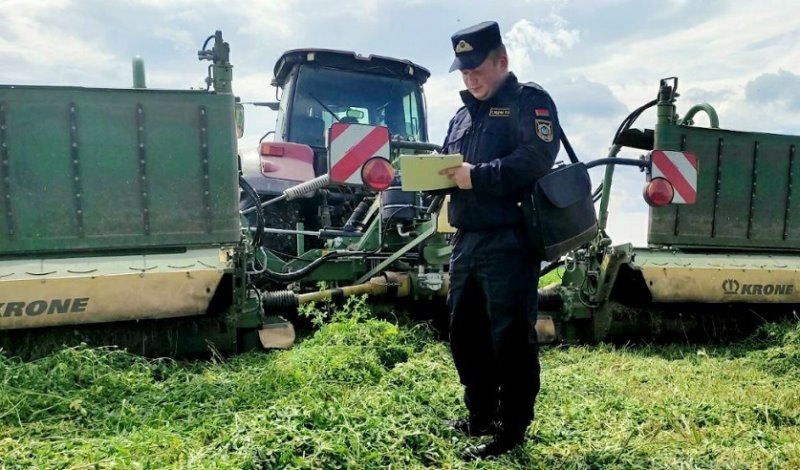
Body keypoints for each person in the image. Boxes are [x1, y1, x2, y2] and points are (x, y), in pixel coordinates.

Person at [438, 20, 561, 460]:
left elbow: (537, 157)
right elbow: (451, 169)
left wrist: (478, 177)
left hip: (510, 239)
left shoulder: (530, 102)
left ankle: (511, 431)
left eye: (478, 71)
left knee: (509, 338)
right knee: (464, 334)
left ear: (502, 61)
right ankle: (480, 415)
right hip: (466, 241)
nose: (471, 80)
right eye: (464, 73)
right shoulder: (460, 114)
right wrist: (432, 175)